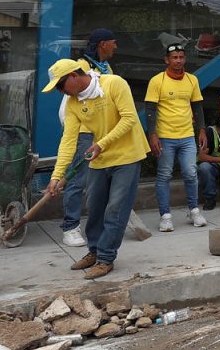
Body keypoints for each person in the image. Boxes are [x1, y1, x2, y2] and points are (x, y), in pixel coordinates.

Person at [42, 56, 149, 280]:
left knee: (115, 208)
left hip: (127, 155)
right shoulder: (73, 103)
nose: (61, 91)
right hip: (99, 158)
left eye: (61, 86)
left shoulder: (114, 84)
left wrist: (101, 143)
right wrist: (56, 175)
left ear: (73, 75)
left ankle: (106, 258)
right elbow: (68, 140)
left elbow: (129, 119)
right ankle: (94, 251)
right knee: (94, 206)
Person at [58, 28, 117, 247]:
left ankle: (104, 225)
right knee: (77, 179)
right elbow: (67, 108)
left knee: (103, 181)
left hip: (104, 133)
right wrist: (77, 134)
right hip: (85, 134)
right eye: (113, 42)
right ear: (103, 44)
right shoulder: (81, 67)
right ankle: (70, 227)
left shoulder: (106, 68)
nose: (115, 46)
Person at [144, 43, 207, 232]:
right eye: (174, 57)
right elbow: (150, 110)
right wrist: (152, 135)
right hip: (165, 137)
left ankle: (193, 210)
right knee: (164, 175)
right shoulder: (157, 81)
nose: (178, 60)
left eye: (181, 57)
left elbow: (197, 106)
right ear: (167, 60)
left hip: (187, 135)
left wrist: (201, 129)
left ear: (184, 59)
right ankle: (165, 215)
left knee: (191, 173)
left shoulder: (192, 80)